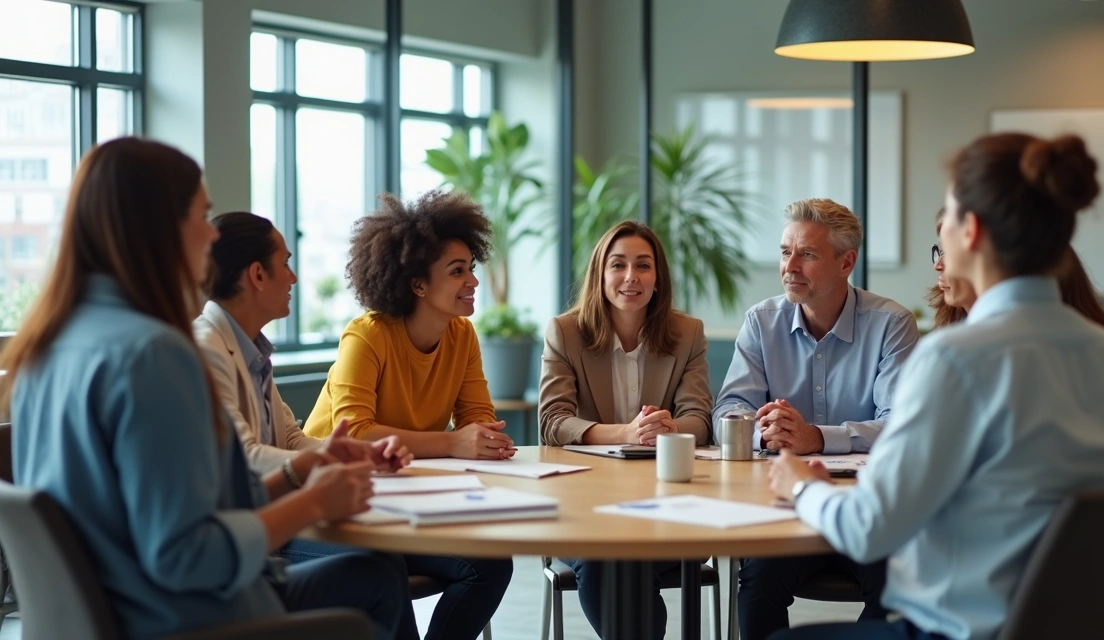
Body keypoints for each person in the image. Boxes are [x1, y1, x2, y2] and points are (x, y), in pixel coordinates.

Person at [0, 137, 411, 640]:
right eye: (201, 215)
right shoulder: (154, 354)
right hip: (185, 621)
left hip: (106, 619)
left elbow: (167, 509)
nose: (210, 237)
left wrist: (300, 471)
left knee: (370, 576)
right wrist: (314, 505)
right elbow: (185, 555)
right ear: (158, 230)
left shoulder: (47, 345)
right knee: (368, 590)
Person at [768, 132, 1104, 640]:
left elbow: (869, 530)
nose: (940, 235)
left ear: (970, 230)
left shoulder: (957, 359)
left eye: (946, 216)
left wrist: (801, 486)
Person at [302, 190, 513, 636]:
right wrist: (454, 442)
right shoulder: (367, 336)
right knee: (384, 569)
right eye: (457, 272)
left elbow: (478, 417)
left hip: (402, 501)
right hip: (329, 507)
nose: (472, 281)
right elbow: (356, 432)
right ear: (418, 284)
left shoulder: (462, 336)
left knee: (490, 564)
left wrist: (484, 438)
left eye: (470, 269)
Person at [715, 198, 920, 638]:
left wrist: (816, 438)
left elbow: (901, 427)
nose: (790, 266)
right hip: (784, 506)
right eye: (786, 251)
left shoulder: (892, 325)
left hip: (871, 506)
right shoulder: (761, 322)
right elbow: (729, 411)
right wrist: (761, 431)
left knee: (895, 591)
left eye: (807, 254)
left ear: (847, 262)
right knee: (754, 587)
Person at [538, 221, 712, 638]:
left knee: (629, 558)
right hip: (585, 507)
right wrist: (627, 433)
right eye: (618, 265)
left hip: (668, 506)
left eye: (643, 266)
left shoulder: (687, 333)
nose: (630, 277)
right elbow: (552, 422)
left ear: (658, 279)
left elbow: (700, 420)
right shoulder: (565, 332)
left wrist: (666, 427)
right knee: (607, 558)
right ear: (601, 275)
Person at [928, 225, 1104, 485]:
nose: (941, 265)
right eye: (941, 251)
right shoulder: (956, 344)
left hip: (1087, 516)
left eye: (955, 252)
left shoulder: (1099, 350)